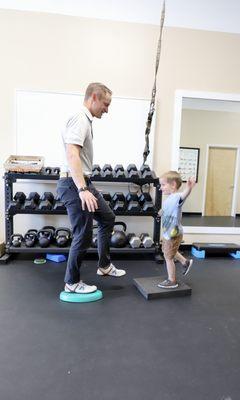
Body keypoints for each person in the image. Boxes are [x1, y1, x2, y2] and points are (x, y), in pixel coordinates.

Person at [57, 82, 126, 294]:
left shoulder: (86, 120)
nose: (107, 109)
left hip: (83, 182)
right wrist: (82, 189)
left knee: (107, 218)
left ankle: (104, 265)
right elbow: (72, 154)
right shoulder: (80, 118)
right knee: (83, 235)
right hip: (74, 184)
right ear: (94, 97)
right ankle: (72, 283)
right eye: (106, 104)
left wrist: (85, 186)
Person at [158, 171, 196, 289]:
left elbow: (184, 195)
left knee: (168, 257)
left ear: (173, 185)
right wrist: (161, 212)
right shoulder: (169, 199)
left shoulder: (177, 197)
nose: (160, 188)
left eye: (163, 185)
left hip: (174, 234)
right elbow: (168, 210)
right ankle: (185, 262)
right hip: (167, 233)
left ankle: (172, 280)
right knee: (167, 251)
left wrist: (189, 188)